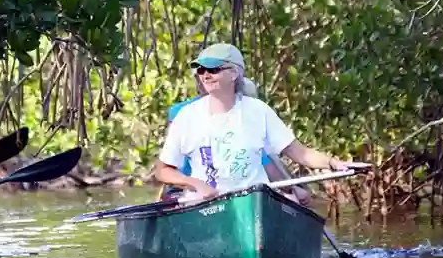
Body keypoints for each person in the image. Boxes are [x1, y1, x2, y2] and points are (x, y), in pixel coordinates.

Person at [154, 42, 369, 202]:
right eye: (201, 70)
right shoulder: (186, 116)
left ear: (234, 73)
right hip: (206, 203)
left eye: (213, 69)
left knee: (293, 200)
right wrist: (196, 184)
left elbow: (298, 152)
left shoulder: (258, 111)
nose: (205, 75)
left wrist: (333, 163)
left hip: (254, 200)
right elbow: (163, 170)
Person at [158, 77, 313, 206]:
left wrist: (291, 189)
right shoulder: (184, 113)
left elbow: (268, 163)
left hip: (234, 194)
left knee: (289, 200)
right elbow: (167, 162)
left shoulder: (249, 117)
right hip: (189, 189)